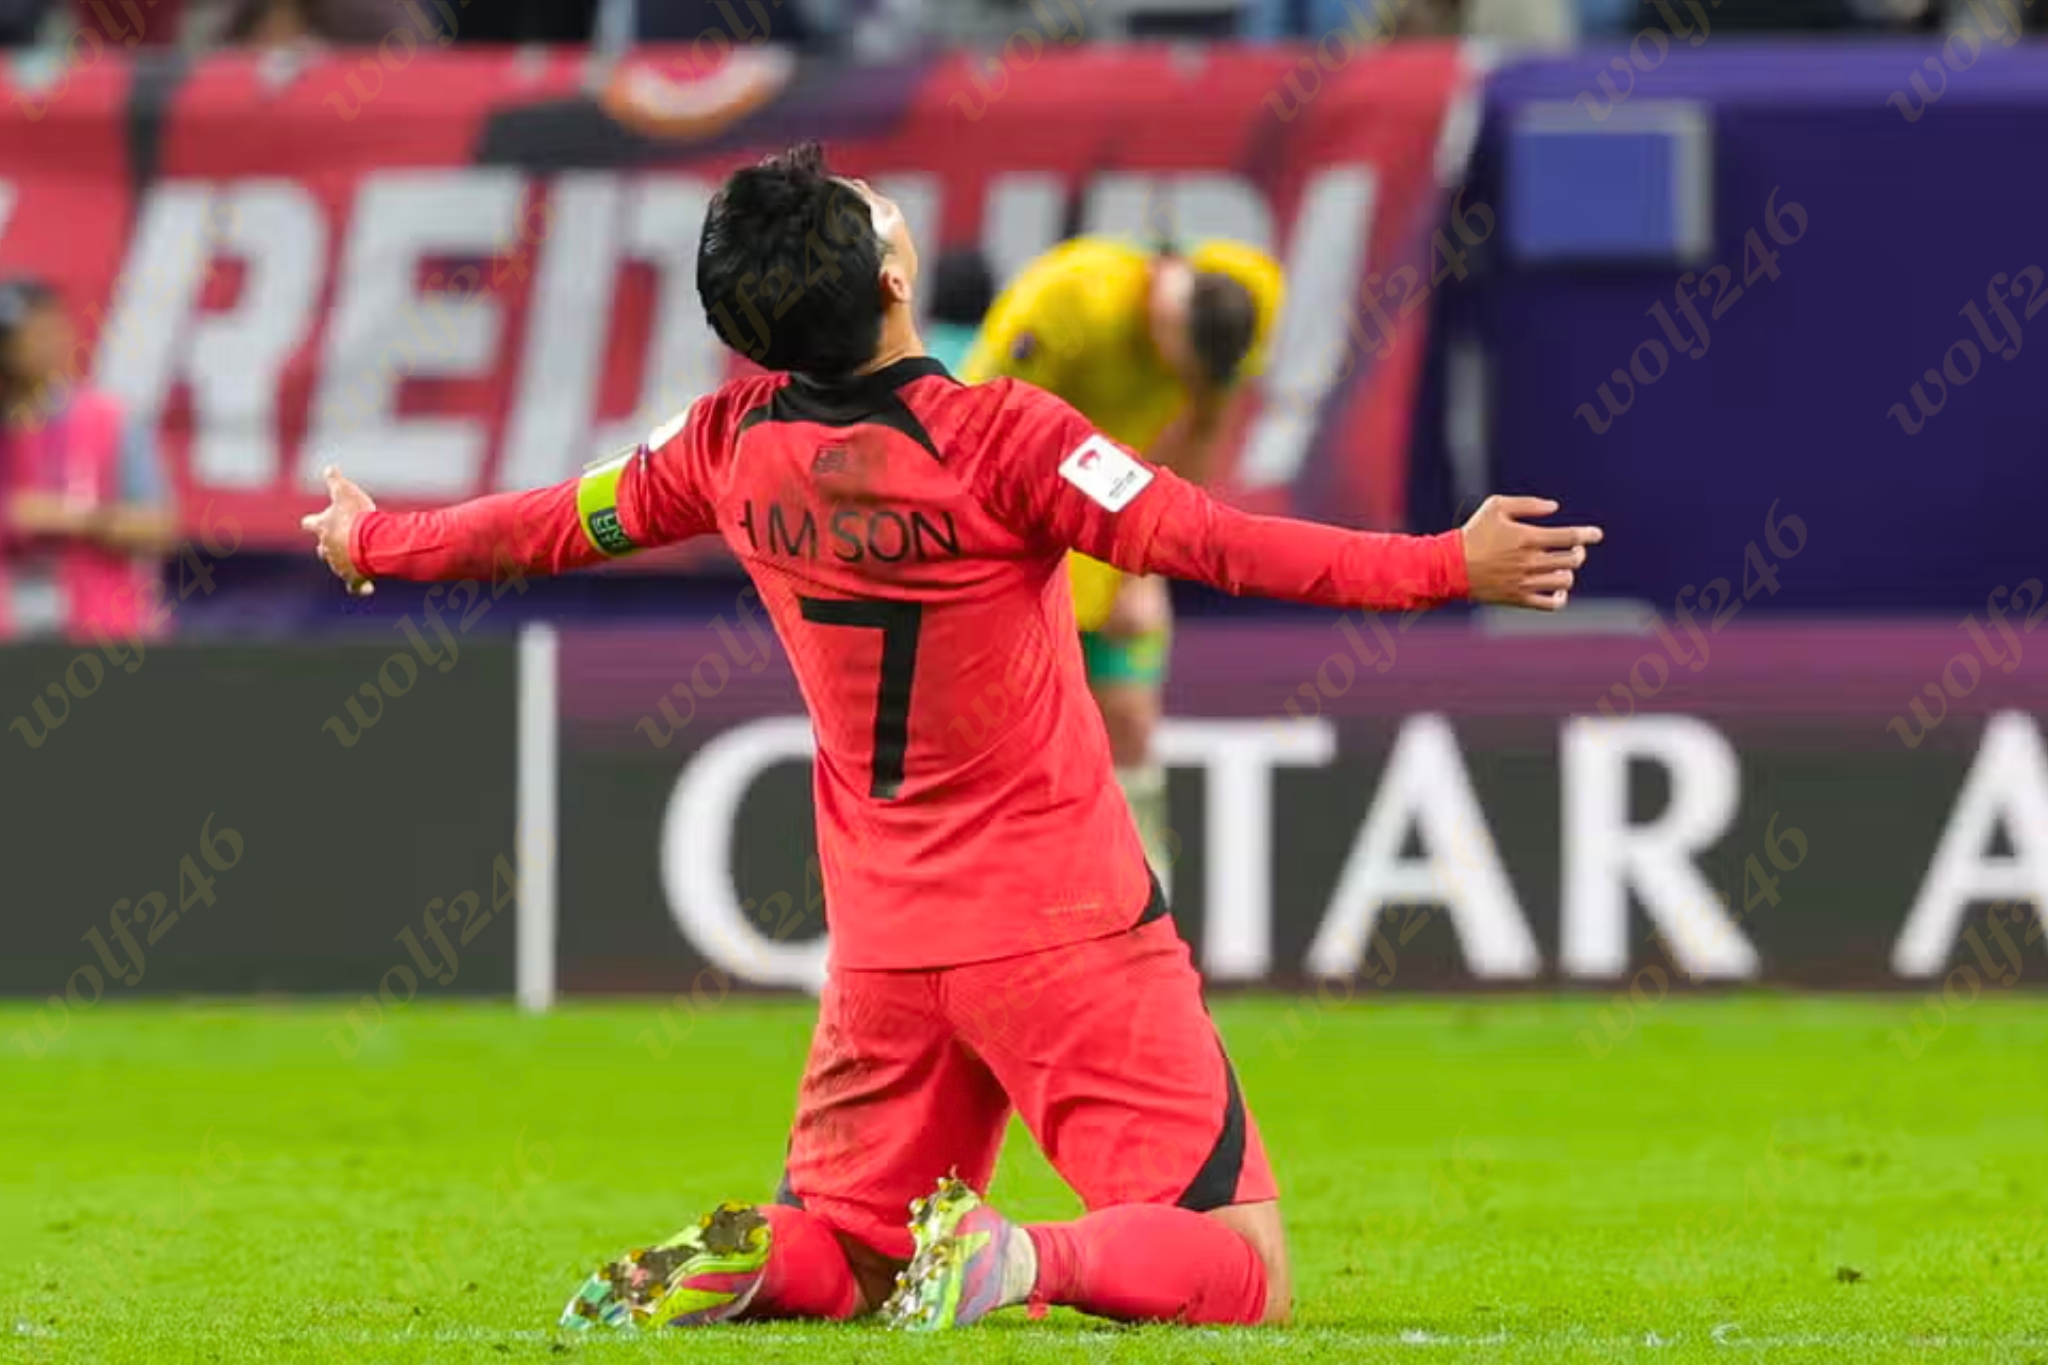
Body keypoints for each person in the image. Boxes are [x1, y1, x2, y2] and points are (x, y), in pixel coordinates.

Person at [300, 142, 1600, 1333]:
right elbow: (1217, 543)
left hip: (883, 946)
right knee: (1240, 1260)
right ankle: (1013, 1257)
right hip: (1063, 926)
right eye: (868, 207)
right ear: (891, 274)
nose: (882, 201)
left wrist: (374, 540)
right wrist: (1446, 564)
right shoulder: (1004, 442)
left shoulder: (723, 448)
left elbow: (542, 526)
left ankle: (725, 1259)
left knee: (852, 1252)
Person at [961, 232, 1280, 892]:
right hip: (1015, 537)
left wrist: (1141, 559)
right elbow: (977, 434)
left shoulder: (1251, 294)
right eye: (1181, 370)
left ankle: (1141, 896)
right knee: (1019, 744)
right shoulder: (1071, 298)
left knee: (1130, 720)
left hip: (1112, 534)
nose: (1180, 385)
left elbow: (1196, 454)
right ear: (1168, 323)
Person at [0, 278, 177, 644]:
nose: (18, 350)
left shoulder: (108, 420)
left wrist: (74, 517)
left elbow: (159, 528)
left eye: (32, 334)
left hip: (101, 637)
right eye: (9, 338)